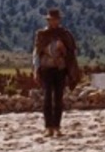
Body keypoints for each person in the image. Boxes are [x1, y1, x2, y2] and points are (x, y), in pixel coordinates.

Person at [32, 8, 79, 137]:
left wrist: (63, 49)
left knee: (58, 98)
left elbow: (71, 53)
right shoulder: (41, 35)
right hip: (46, 68)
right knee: (47, 98)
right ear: (48, 20)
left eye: (55, 19)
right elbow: (37, 54)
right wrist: (36, 69)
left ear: (59, 20)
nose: (53, 22)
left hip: (60, 69)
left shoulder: (65, 34)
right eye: (51, 20)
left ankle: (57, 127)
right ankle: (48, 127)